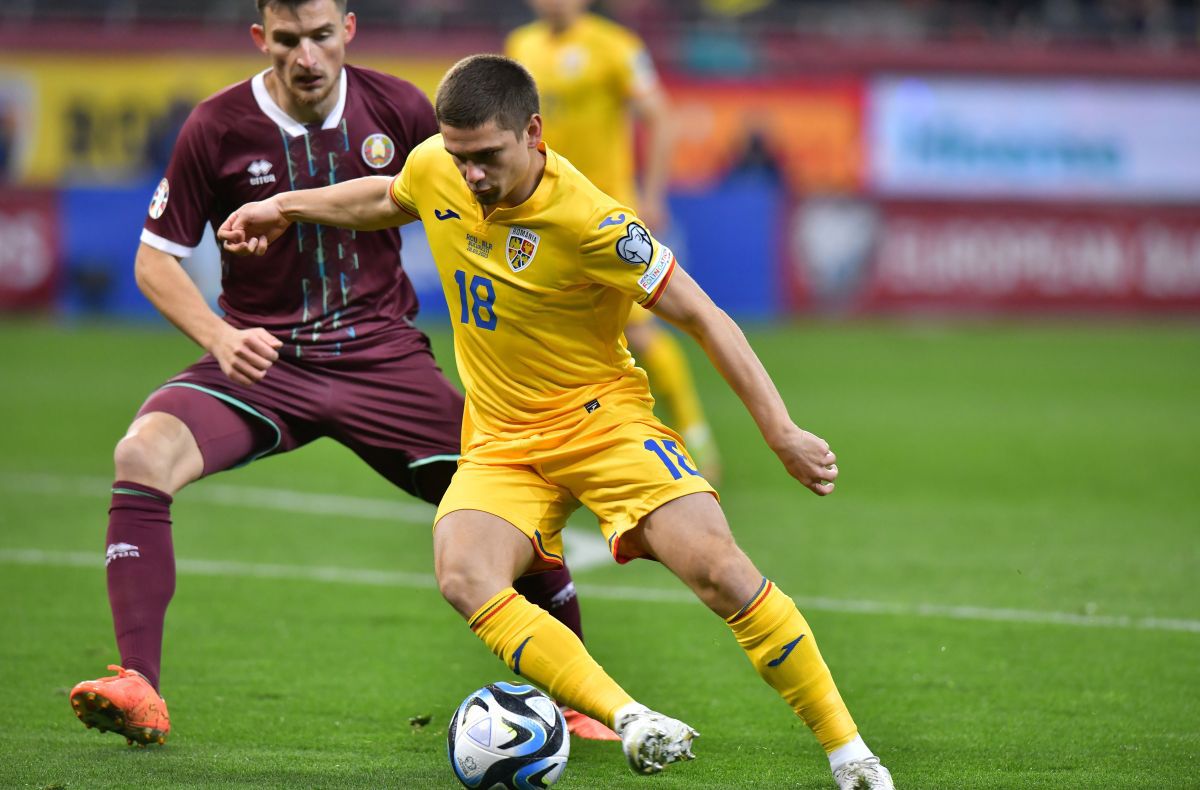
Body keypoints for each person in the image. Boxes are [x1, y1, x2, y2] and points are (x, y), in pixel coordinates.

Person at [218, 54, 896, 789]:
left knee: (720, 572)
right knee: (464, 572)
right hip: (502, 445)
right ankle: (631, 717)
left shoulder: (595, 222)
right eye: (458, 156)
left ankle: (850, 754)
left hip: (603, 426)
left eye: (486, 157)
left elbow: (703, 316)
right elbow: (387, 197)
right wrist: (284, 207)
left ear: (533, 133)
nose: (470, 174)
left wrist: (782, 432)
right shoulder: (437, 168)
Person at [67, 0, 610, 747]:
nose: (307, 57)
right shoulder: (216, 127)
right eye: (287, 40)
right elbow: (153, 260)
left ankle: (578, 701)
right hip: (265, 360)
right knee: (142, 453)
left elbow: (480, 197)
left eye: (322, 36)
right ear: (262, 39)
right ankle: (138, 686)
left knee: (520, 500)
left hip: (383, 358)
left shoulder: (400, 108)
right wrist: (220, 338)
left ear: (347, 30)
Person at [506, 0, 722, 481]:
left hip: (608, 217)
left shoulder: (616, 47)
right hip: (544, 214)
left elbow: (660, 116)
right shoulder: (521, 46)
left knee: (642, 331)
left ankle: (695, 436)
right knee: (542, 331)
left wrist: (652, 194)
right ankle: (554, 446)